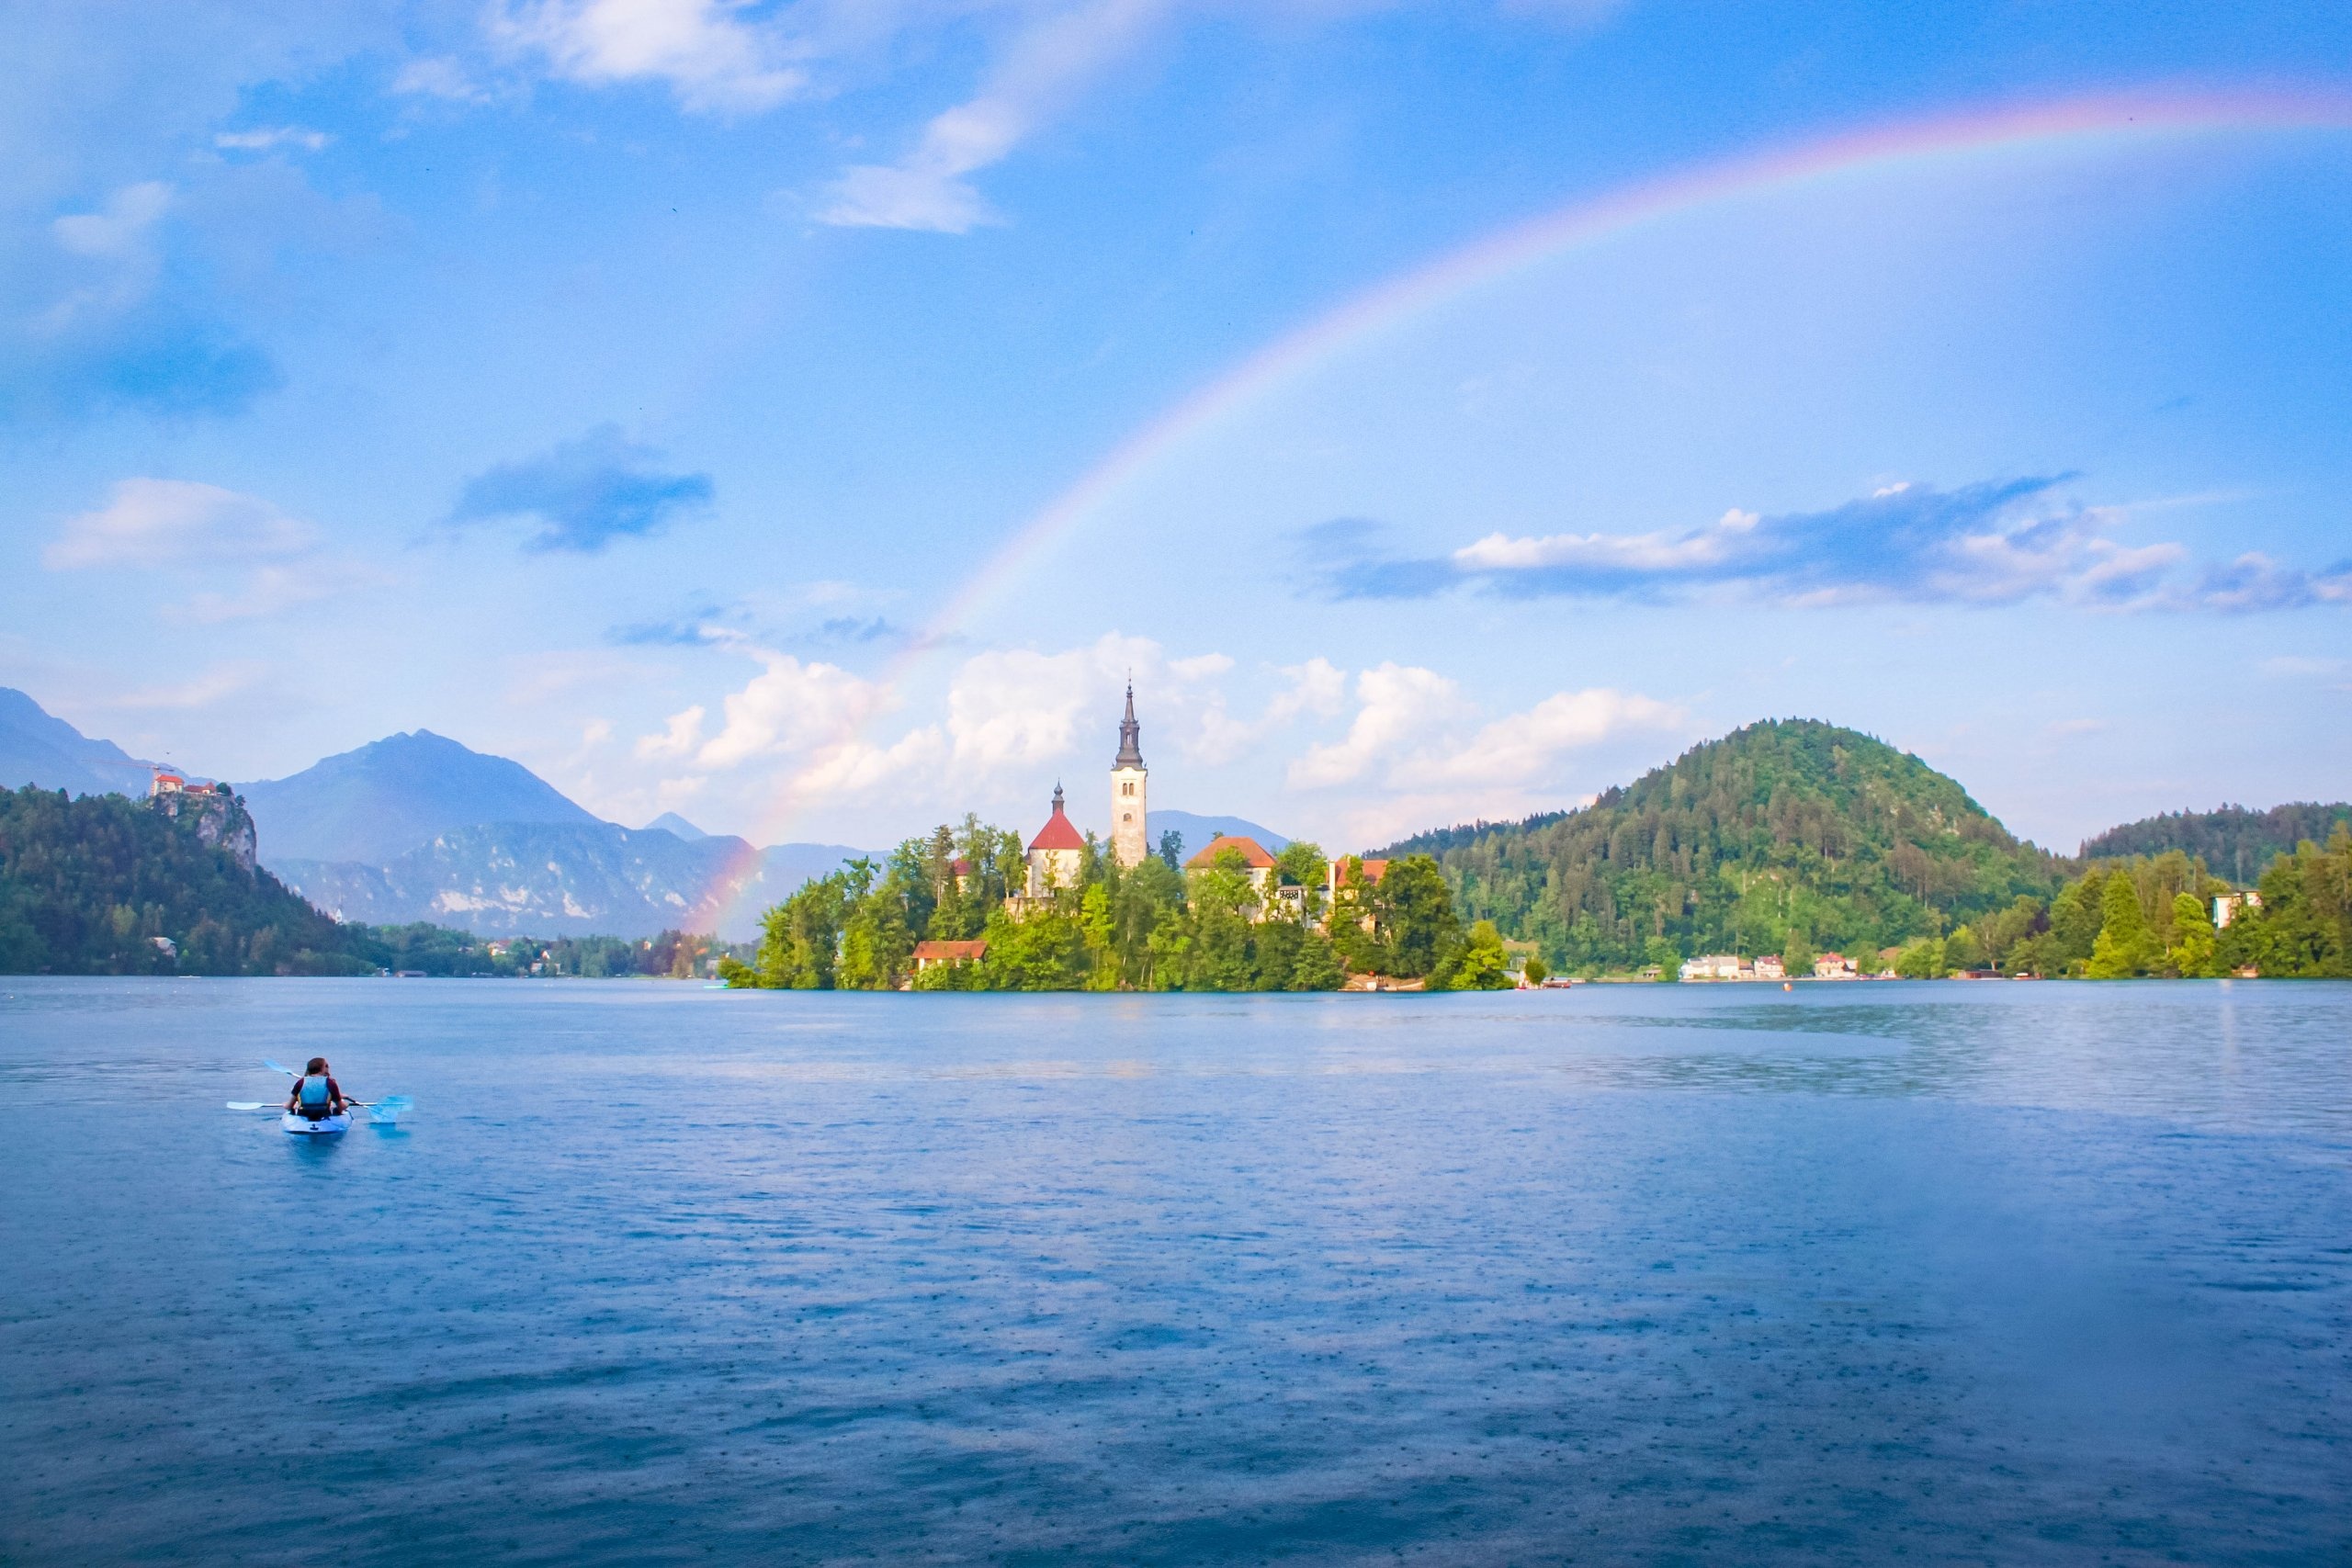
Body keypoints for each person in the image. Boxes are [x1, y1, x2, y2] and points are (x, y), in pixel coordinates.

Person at [288, 1057, 349, 1121]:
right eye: (326, 1066)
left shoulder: (300, 1082)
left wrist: (285, 1105)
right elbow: (341, 1106)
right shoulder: (330, 1083)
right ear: (322, 1069)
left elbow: (289, 1106)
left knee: (293, 1108)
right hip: (323, 1114)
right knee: (338, 1109)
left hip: (304, 1114)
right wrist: (346, 1105)